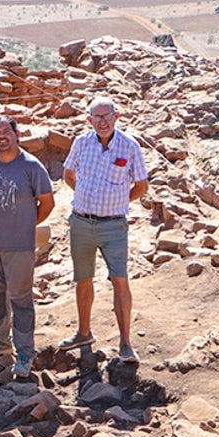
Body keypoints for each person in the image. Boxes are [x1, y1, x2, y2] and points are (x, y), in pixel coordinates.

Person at [60, 96, 149, 364]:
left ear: (116, 116)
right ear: (89, 120)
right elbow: (68, 174)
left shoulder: (130, 146)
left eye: (106, 116)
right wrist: (86, 196)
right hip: (81, 222)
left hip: (114, 225)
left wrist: (119, 201)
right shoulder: (81, 143)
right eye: (96, 117)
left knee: (120, 280)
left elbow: (142, 185)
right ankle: (83, 333)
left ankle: (125, 343)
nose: (102, 122)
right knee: (83, 279)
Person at [0, 118, 55, 378]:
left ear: (17, 134)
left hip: (20, 246)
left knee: (21, 299)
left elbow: (47, 203)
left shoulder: (31, 166)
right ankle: (0, 338)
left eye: (7, 131)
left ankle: (26, 350)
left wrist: (27, 223)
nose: (2, 136)